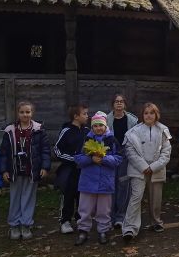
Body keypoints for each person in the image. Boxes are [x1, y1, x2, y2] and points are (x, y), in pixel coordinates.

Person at [0, 101, 51, 241]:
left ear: (32, 113)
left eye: (28, 112)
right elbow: (3, 152)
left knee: (28, 197)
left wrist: (45, 167)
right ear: (18, 113)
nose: (25, 115)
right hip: (15, 169)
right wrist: (4, 170)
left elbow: (45, 150)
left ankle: (26, 224)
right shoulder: (10, 130)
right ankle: (14, 225)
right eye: (22, 112)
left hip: (31, 170)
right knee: (15, 197)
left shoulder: (39, 130)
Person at [122, 103, 172, 241]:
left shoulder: (163, 130)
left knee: (156, 198)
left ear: (156, 114)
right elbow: (130, 151)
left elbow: (166, 152)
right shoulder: (133, 132)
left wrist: (153, 167)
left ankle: (156, 222)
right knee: (136, 197)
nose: (149, 115)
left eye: (152, 113)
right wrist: (144, 166)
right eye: (146, 113)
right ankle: (130, 228)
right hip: (138, 170)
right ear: (142, 115)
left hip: (156, 170)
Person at [74, 112, 123, 245]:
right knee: (85, 208)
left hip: (105, 181)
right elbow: (77, 158)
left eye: (101, 125)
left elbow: (118, 158)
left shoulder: (112, 140)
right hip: (88, 181)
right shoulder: (86, 140)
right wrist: (91, 159)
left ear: (105, 126)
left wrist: (104, 159)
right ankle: (83, 230)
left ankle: (103, 231)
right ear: (92, 127)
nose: (98, 128)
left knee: (104, 210)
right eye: (95, 126)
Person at [53, 104, 89, 234]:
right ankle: (65, 221)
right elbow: (57, 150)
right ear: (76, 116)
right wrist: (74, 159)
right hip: (69, 170)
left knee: (82, 196)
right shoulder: (66, 131)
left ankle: (80, 220)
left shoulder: (87, 131)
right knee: (68, 194)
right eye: (84, 114)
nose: (87, 116)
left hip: (83, 171)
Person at [107, 94, 138, 228]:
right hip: (111, 154)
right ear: (113, 104)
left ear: (125, 104)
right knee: (111, 184)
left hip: (126, 154)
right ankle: (110, 216)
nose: (119, 103)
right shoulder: (106, 120)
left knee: (123, 184)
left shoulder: (132, 120)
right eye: (116, 101)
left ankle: (120, 215)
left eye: (121, 101)